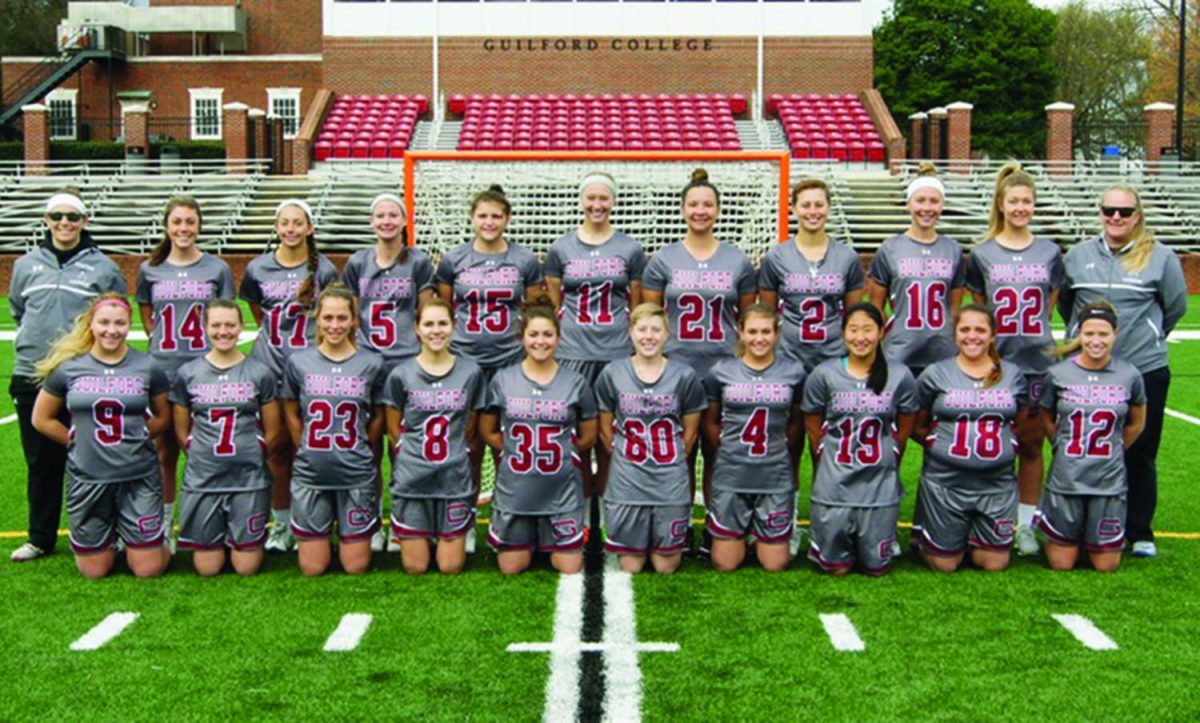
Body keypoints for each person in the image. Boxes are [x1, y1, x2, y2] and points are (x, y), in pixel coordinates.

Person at [1058, 185, 1187, 558]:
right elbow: (1068, 305)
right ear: (1100, 213)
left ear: (1138, 215)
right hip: (1086, 371)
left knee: (1140, 448)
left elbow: (1174, 307)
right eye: (1109, 210)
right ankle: (1079, 523)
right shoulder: (1078, 255)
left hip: (1143, 366)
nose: (1116, 217)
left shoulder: (1160, 257)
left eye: (1125, 211)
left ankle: (1139, 529)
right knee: (1082, 446)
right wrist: (1090, 345)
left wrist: (1143, 339)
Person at [9, 189, 127, 563]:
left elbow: (114, 314)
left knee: (94, 458)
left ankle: (107, 532)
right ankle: (41, 537)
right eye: (57, 216)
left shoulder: (103, 267)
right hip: (31, 373)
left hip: (83, 377)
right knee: (41, 462)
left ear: (84, 221)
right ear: (46, 220)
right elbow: (19, 311)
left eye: (72, 217)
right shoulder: (26, 265)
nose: (64, 223)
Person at [642, 168, 757, 545]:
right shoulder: (662, 259)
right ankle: (679, 526)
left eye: (708, 204)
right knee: (681, 452)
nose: (701, 211)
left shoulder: (737, 260)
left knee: (719, 450)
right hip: (677, 367)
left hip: (723, 368)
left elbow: (746, 319)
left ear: (719, 211)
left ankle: (714, 526)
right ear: (682, 209)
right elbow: (650, 319)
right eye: (694, 204)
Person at [30, 294, 171, 578]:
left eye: (120, 323)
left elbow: (163, 416)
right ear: (90, 325)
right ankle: (113, 538)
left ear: (129, 325)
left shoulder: (148, 366)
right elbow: (41, 419)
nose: (111, 330)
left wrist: (142, 435)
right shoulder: (69, 368)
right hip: (88, 477)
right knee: (94, 571)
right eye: (104, 322)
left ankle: (149, 539)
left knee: (148, 569)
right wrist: (74, 439)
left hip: (138, 476)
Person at [965, 164, 1063, 556]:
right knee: (991, 442)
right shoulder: (983, 253)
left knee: (1031, 443)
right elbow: (977, 311)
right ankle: (986, 516)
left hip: (1036, 360)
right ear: (1001, 205)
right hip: (998, 362)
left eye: (1027, 201)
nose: (1021, 208)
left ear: (1034, 206)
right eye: (1014, 201)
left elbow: (1049, 306)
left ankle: (1025, 524)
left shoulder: (1050, 251)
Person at [436, 185, 545, 526]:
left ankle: (509, 510)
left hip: (509, 358)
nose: (489, 222)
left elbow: (533, 311)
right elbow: (443, 310)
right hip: (466, 359)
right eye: (482, 215)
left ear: (507, 219)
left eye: (496, 216)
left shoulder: (524, 259)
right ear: (472, 218)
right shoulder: (454, 258)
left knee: (508, 436)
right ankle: (462, 515)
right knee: (467, 438)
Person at [239, 199, 340, 553]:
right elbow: (258, 313)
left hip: (309, 369)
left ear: (309, 228)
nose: (291, 229)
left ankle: (315, 521)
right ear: (277, 226)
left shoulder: (324, 271)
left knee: (311, 449)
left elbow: (332, 318)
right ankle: (281, 523)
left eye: (298, 223)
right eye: (285, 223)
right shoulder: (258, 267)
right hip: (268, 365)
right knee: (277, 448)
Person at [545, 172, 647, 520]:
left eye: (604, 198)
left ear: (613, 202)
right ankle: (572, 503)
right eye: (591, 198)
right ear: (582, 201)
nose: (597, 205)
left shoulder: (630, 249)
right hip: (573, 351)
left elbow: (635, 304)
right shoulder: (561, 248)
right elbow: (554, 304)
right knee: (573, 431)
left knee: (610, 432)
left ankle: (603, 503)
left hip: (616, 350)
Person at [136, 196, 236, 552]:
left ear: (199, 226)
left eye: (190, 222)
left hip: (205, 369)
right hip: (163, 368)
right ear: (167, 226)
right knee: (164, 450)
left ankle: (210, 519)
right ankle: (164, 522)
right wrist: (162, 344)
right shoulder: (150, 268)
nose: (183, 229)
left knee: (207, 447)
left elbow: (226, 316)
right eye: (177, 222)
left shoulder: (217, 268)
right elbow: (148, 315)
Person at [342, 193, 436, 552]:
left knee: (403, 446)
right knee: (367, 444)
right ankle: (368, 521)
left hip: (405, 361)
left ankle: (403, 520)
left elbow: (426, 314)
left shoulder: (419, 262)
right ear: (371, 221)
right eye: (379, 215)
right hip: (367, 364)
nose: (386, 221)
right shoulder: (357, 262)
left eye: (392, 215)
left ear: (403, 221)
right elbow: (350, 313)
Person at [479, 298, 598, 575]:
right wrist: (514, 450)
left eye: (547, 334)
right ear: (522, 337)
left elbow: (589, 435)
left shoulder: (575, 382)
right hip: (517, 490)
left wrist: (562, 452)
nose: (540, 341)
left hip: (561, 491)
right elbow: (488, 430)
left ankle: (547, 536)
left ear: (558, 337)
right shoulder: (503, 379)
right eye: (533, 334)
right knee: (511, 567)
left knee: (569, 567)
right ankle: (530, 537)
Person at [801, 303, 917, 575]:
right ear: (843, 333)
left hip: (878, 487)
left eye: (868, 329)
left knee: (876, 568)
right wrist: (826, 462)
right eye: (853, 330)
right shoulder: (824, 374)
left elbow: (906, 422)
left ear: (880, 333)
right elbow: (813, 426)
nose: (860, 337)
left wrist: (892, 454)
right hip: (835, 485)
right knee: (835, 569)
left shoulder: (899, 375)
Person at [913, 305, 1030, 573]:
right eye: (965, 329)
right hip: (946, 482)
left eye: (980, 330)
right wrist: (938, 446)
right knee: (945, 565)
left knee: (994, 564)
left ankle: (966, 536)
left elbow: (1021, 423)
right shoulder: (935, 373)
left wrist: (1006, 445)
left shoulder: (1012, 374)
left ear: (992, 335)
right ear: (955, 335)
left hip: (996, 484)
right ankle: (931, 537)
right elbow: (917, 423)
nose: (972, 336)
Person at [281, 285, 387, 576]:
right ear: (317, 319)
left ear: (354, 320)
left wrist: (365, 442)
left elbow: (379, 413)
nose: (334, 325)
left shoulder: (372, 363)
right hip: (311, 471)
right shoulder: (299, 362)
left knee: (356, 567)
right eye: (328, 318)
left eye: (342, 318)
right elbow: (290, 407)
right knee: (312, 568)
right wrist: (301, 441)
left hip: (355, 470)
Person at [171, 299, 281, 576]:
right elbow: (182, 430)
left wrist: (255, 452)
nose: (223, 331)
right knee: (207, 568)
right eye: (216, 325)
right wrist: (197, 451)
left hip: (248, 477)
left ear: (241, 327)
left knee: (246, 568)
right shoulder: (188, 373)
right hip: (204, 478)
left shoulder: (259, 372)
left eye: (230, 325)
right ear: (205, 327)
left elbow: (273, 429)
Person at [595, 304, 706, 574]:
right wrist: (624, 456)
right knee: (631, 566)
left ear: (666, 334)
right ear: (631, 332)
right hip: (628, 478)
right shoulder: (613, 372)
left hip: (668, 478)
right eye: (642, 329)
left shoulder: (683, 375)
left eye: (656, 330)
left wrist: (674, 460)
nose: (649, 336)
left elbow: (690, 433)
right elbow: (604, 427)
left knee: (665, 566)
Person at [1037, 303, 1147, 572]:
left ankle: (1093, 539)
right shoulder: (1058, 373)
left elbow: (1137, 424)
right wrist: (1061, 445)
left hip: (1107, 481)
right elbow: (1046, 416)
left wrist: (1114, 449)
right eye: (1089, 334)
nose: (1095, 341)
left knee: (1106, 566)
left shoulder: (1129, 374)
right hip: (1067, 478)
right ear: (1079, 334)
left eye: (1103, 334)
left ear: (1115, 335)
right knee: (1061, 565)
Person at [382, 298, 485, 575]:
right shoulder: (401, 374)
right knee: (415, 567)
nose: (435, 331)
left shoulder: (470, 371)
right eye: (428, 324)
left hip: (453, 476)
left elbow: (471, 425)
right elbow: (394, 429)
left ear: (453, 327)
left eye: (442, 323)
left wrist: (454, 452)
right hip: (414, 477)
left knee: (450, 566)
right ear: (416, 328)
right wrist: (410, 456)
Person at [704, 304, 806, 573]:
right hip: (733, 472)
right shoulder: (721, 371)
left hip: (773, 472)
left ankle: (761, 531)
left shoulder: (794, 372)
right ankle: (744, 530)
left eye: (765, 331)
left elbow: (796, 424)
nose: (758, 338)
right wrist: (728, 451)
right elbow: (711, 421)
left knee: (776, 565)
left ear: (777, 333)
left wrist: (781, 453)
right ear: (740, 332)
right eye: (752, 331)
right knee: (724, 564)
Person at [866, 163, 966, 377]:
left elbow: (955, 311)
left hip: (942, 350)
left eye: (934, 201)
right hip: (901, 350)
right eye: (920, 200)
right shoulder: (890, 248)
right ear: (908, 204)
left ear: (942, 205)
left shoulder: (953, 250)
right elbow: (876, 309)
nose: (927, 208)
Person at [759, 179, 865, 372]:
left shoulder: (847, 257)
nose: (813, 211)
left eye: (819, 205)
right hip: (788, 356)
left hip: (835, 355)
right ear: (794, 208)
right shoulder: (776, 257)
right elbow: (767, 315)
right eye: (805, 205)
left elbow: (855, 317)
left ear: (829, 207)